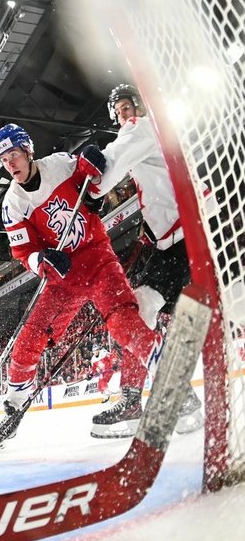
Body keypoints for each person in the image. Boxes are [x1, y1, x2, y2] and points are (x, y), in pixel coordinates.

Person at [0, 123, 163, 441]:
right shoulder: (12, 204)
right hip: (63, 279)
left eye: (13, 154)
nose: (10, 163)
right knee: (29, 339)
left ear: (28, 151)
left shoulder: (58, 164)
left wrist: (90, 159)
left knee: (124, 321)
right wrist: (40, 261)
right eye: (3, 159)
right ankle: (13, 407)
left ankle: (165, 371)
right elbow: (22, 250)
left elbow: (90, 176)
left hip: (97, 260)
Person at [87, 84, 204, 434]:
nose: (124, 116)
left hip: (188, 237)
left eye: (127, 107)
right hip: (175, 239)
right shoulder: (152, 132)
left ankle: (155, 398)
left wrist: (91, 186)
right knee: (143, 309)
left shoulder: (142, 127)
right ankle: (137, 398)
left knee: (146, 309)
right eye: (119, 112)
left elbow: (109, 163)